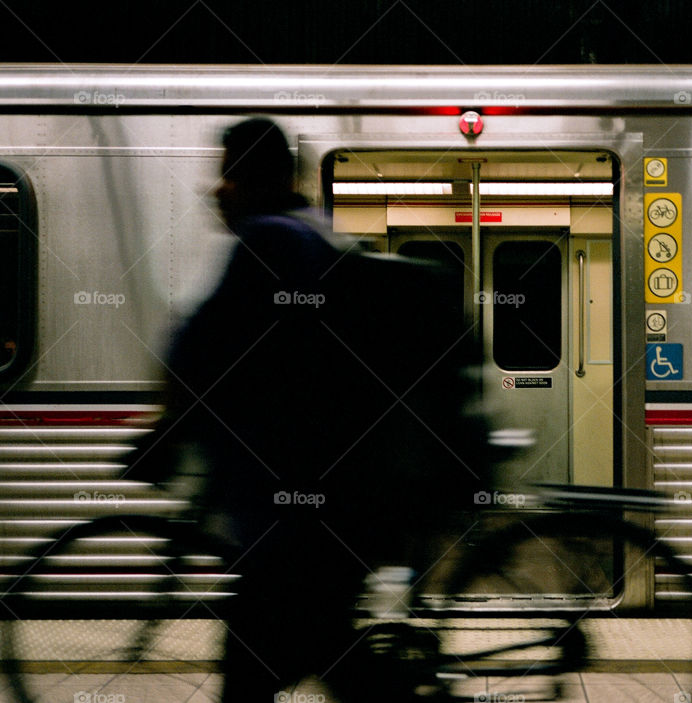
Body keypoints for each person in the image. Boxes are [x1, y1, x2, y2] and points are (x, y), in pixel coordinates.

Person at [125, 117, 486, 702]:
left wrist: (165, 433)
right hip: (334, 506)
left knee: (265, 673)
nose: (217, 192)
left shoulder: (271, 241)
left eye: (228, 176)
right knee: (326, 659)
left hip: (303, 519)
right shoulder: (312, 234)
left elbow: (201, 351)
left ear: (257, 178)